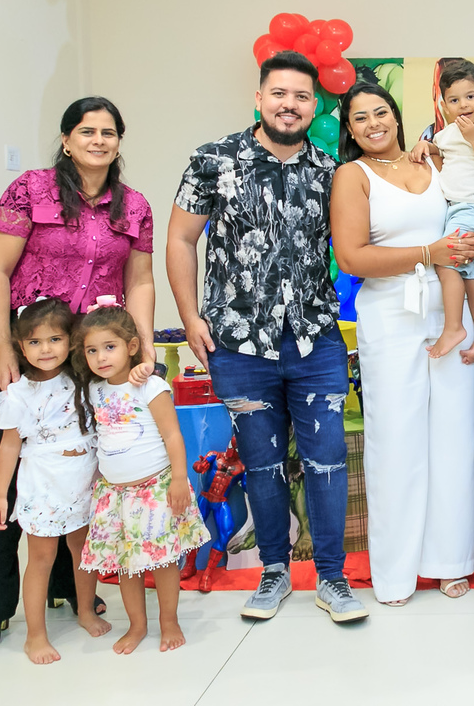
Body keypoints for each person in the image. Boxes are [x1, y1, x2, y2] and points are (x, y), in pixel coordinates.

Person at [167, 50, 368, 623]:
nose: (289, 105)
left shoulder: (332, 171)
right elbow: (181, 239)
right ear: (259, 98)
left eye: (302, 96)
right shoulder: (213, 160)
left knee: (327, 460)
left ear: (314, 105)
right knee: (261, 462)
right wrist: (190, 316)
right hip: (238, 343)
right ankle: (274, 570)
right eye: (279, 93)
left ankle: (332, 577)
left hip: (315, 340)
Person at [0, 96, 155, 656]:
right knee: (12, 469)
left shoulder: (134, 205)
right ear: (67, 140)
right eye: (87, 131)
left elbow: (140, 280)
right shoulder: (31, 189)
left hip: (95, 355)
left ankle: (69, 586)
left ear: (119, 142)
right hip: (35, 353)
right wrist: (3, 345)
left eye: (109, 132)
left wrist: (142, 346)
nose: (99, 140)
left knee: (87, 465)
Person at [330, 81, 474, 606]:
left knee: (454, 435)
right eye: (360, 118)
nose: (373, 123)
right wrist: (428, 252)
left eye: (381, 112)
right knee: (396, 439)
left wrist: (467, 244)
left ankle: (451, 561)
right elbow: (351, 257)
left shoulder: (436, 159)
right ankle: (395, 572)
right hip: (392, 314)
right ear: (350, 130)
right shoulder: (353, 176)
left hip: (450, 311)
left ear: (397, 116)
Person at [75, 304, 211, 653]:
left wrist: (179, 479)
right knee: (127, 565)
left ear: (132, 346)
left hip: (154, 490)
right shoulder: (94, 390)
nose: (101, 357)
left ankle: (169, 621)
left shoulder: (151, 386)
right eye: (92, 350)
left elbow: (173, 436)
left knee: (163, 561)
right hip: (113, 495)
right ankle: (137, 625)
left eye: (110, 347)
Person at [0, 298, 110, 664]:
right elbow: (9, 446)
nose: (45, 349)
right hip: (43, 483)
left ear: (70, 341)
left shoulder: (83, 379)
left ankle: (85, 610)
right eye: (35, 342)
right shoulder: (19, 393)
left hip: (83, 478)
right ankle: (35, 636)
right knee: (42, 557)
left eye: (55, 339)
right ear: (21, 346)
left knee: (83, 549)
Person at [408, 59, 474, 361]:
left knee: (446, 262)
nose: (463, 105)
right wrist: (425, 147)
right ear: (444, 107)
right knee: (471, 274)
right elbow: (439, 149)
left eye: (470, 96)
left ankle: (453, 327)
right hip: (458, 210)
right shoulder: (446, 135)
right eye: (454, 100)